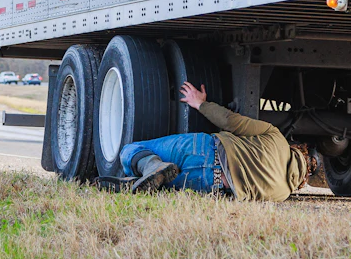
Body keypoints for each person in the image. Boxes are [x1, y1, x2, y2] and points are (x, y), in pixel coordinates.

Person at [118, 81, 317, 201]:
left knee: (132, 149)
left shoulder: (277, 139)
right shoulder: (281, 194)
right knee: (158, 186)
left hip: (205, 150)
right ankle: (134, 181)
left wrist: (201, 104)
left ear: (297, 149)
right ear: (302, 180)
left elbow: (232, 122)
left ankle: (152, 165)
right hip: (210, 183)